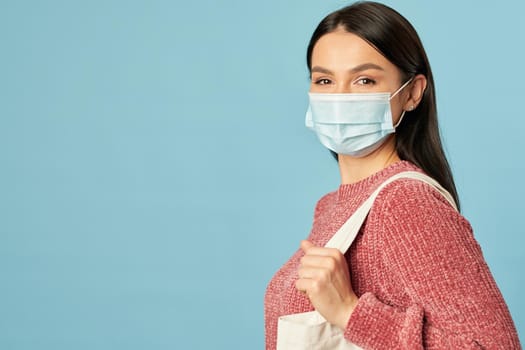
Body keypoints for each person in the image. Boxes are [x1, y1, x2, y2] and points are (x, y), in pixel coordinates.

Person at [264, 2, 521, 349]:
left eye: (364, 80)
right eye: (324, 80)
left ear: (413, 93)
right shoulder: (331, 207)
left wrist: (351, 313)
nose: (339, 97)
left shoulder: (404, 203)